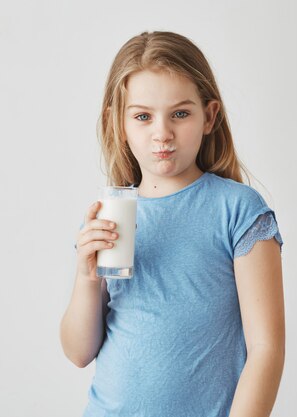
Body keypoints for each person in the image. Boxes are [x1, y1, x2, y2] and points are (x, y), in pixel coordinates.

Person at [59, 31, 285, 417]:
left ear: (209, 116)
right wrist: (86, 277)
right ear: (120, 122)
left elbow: (266, 349)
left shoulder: (238, 210)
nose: (161, 133)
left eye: (180, 113)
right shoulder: (109, 214)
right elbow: (79, 352)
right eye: (143, 116)